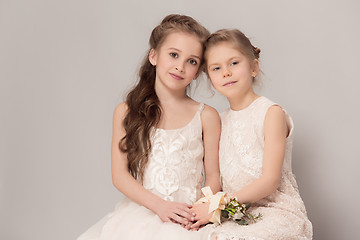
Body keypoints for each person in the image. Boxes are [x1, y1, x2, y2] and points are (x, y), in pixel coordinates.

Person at [77, 14, 221, 240]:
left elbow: (213, 177)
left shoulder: (207, 116)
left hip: (188, 217)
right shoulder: (126, 111)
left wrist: (201, 211)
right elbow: (120, 176)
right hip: (143, 213)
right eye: (173, 55)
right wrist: (160, 207)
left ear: (197, 72)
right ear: (154, 56)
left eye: (191, 61)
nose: (180, 67)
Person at [190, 29, 313, 239]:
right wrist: (200, 210)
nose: (226, 72)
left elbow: (270, 181)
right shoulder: (218, 121)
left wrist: (217, 205)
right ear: (210, 78)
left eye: (234, 63)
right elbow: (215, 180)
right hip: (233, 214)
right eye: (216, 68)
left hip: (276, 211)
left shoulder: (270, 113)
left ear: (254, 67)